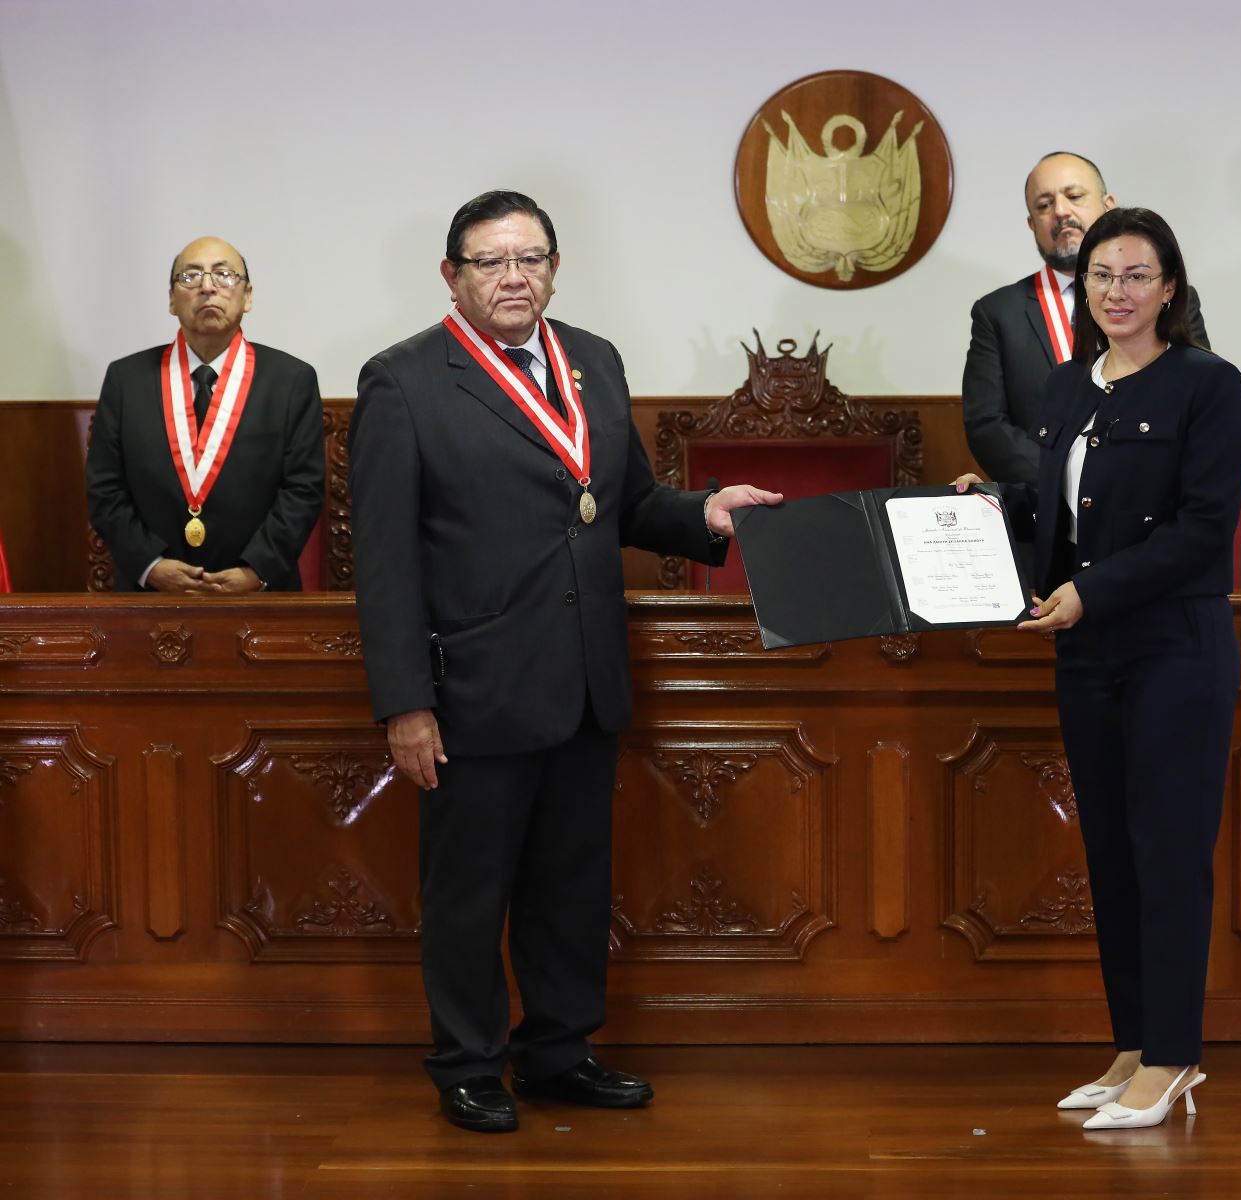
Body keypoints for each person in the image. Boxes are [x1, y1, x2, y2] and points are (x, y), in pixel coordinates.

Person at [349, 190, 780, 1134]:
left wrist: (701, 514)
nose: (515, 277)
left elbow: (619, 500)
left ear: (553, 265)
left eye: (531, 258)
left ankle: (558, 1051)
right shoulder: (405, 381)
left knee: (572, 886)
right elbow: (380, 563)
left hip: (585, 678)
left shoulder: (594, 359)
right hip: (472, 689)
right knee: (469, 894)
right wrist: (405, 705)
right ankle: (467, 1063)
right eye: (492, 261)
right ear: (451, 275)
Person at [956, 207, 1241, 1130]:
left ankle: (1173, 1058)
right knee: (1112, 858)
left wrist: (1094, 592)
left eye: (1135, 275)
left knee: (1168, 858)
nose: (1116, 293)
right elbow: (1067, 515)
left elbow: (1204, 533)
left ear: (1171, 288)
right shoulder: (1069, 386)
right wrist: (995, 504)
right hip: (1085, 653)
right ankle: (1131, 1045)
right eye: (1100, 277)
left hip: (1174, 649)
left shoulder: (1209, 383)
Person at [86, 237, 325, 592]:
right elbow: (104, 489)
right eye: (191, 276)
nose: (208, 287)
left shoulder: (292, 380)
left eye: (224, 275)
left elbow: (303, 490)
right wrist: (151, 566)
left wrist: (255, 570)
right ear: (171, 299)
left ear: (248, 297)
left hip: (260, 594)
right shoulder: (126, 379)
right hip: (149, 596)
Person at [961, 152, 1210, 483]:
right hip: (1044, 512)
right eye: (1044, 205)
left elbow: (1196, 403)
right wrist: (1068, 483)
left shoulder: (1163, 298)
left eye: (1075, 196)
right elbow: (987, 425)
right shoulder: (997, 313)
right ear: (1032, 224)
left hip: (1150, 501)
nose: (1061, 212)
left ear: (1108, 205)